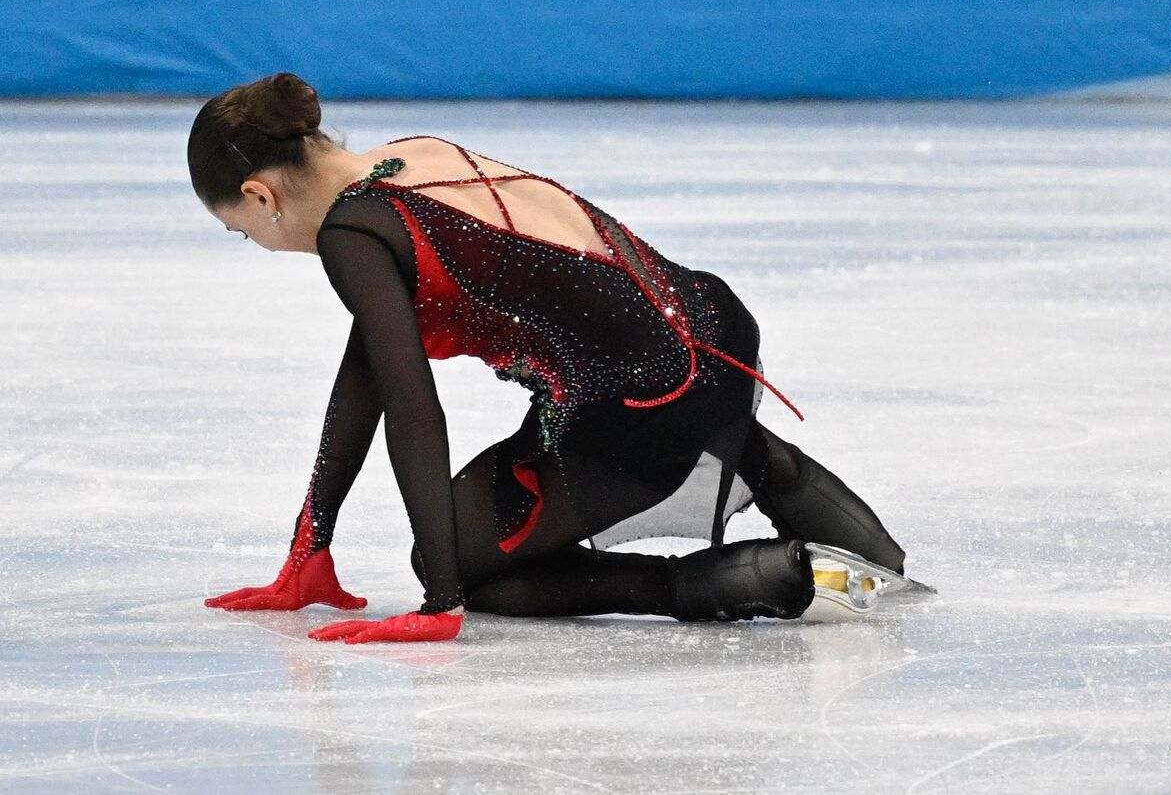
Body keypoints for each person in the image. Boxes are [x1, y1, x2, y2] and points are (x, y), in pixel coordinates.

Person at [191, 72, 906, 643]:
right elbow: (366, 381)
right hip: (714, 331)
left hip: (647, 405)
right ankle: (847, 534)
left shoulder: (354, 233)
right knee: (553, 448)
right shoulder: (408, 159)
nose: (252, 240)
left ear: (261, 194)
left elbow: (414, 408)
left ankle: (750, 579)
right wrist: (309, 549)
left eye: (239, 228)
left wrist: (441, 599)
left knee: (472, 567)